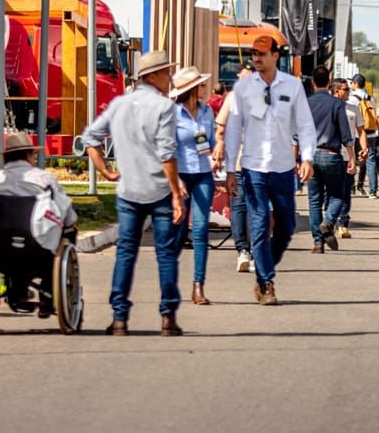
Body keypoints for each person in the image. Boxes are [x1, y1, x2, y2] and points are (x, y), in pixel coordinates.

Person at [83, 50, 186, 337]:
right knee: (166, 255)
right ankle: (168, 316)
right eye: (166, 72)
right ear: (152, 76)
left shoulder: (119, 104)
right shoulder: (164, 108)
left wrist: (105, 170)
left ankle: (119, 318)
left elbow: (90, 138)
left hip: (128, 190)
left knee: (126, 253)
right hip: (159, 191)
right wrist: (177, 192)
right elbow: (167, 154)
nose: (170, 78)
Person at [224, 36, 317, 305]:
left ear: (275, 55)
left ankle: (264, 269)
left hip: (283, 168)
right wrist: (231, 169)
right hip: (253, 167)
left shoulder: (293, 85)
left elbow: (305, 125)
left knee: (286, 227)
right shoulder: (242, 88)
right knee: (260, 224)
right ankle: (266, 283)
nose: (256, 58)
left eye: (262, 54)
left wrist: (307, 158)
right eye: (253, 54)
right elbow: (233, 130)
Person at [0, 132, 77, 316]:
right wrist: (70, 224)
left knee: (11, 239)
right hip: (38, 249)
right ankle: (47, 294)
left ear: (7, 157)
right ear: (28, 155)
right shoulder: (44, 180)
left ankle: (18, 292)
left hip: (0, 249)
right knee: (64, 234)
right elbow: (66, 212)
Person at [171, 66, 217, 306]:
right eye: (200, 85)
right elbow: (168, 149)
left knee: (200, 230)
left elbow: (207, 143)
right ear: (190, 90)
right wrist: (175, 181)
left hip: (203, 175)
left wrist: (216, 154)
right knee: (178, 233)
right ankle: (169, 282)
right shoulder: (173, 113)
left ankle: (198, 285)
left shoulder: (206, 112)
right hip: (180, 176)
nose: (204, 88)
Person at [305, 66, 354, 253]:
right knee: (337, 195)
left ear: (312, 82)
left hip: (310, 155)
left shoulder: (306, 103)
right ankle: (328, 222)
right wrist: (351, 156)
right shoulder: (336, 104)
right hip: (331, 154)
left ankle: (318, 242)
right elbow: (345, 133)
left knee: (314, 200)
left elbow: (297, 132)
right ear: (329, 81)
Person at [213, 64, 254, 273]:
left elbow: (219, 129)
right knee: (257, 208)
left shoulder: (233, 97)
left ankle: (243, 251)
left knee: (239, 207)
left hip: (239, 161)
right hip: (258, 163)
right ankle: (252, 253)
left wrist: (220, 149)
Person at [333, 78, 367, 239]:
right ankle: (331, 221)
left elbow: (361, 131)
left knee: (346, 191)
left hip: (348, 156)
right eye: (345, 89)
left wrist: (364, 148)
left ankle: (343, 224)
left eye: (348, 89)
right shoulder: (329, 108)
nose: (348, 92)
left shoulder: (353, 109)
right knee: (331, 191)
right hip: (330, 155)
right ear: (336, 91)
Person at [349, 74, 379, 198]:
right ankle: (372, 191)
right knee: (370, 161)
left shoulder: (352, 99)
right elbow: (375, 114)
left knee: (351, 159)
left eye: (352, 83)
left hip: (356, 133)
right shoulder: (370, 98)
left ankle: (351, 187)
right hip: (371, 133)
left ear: (355, 84)